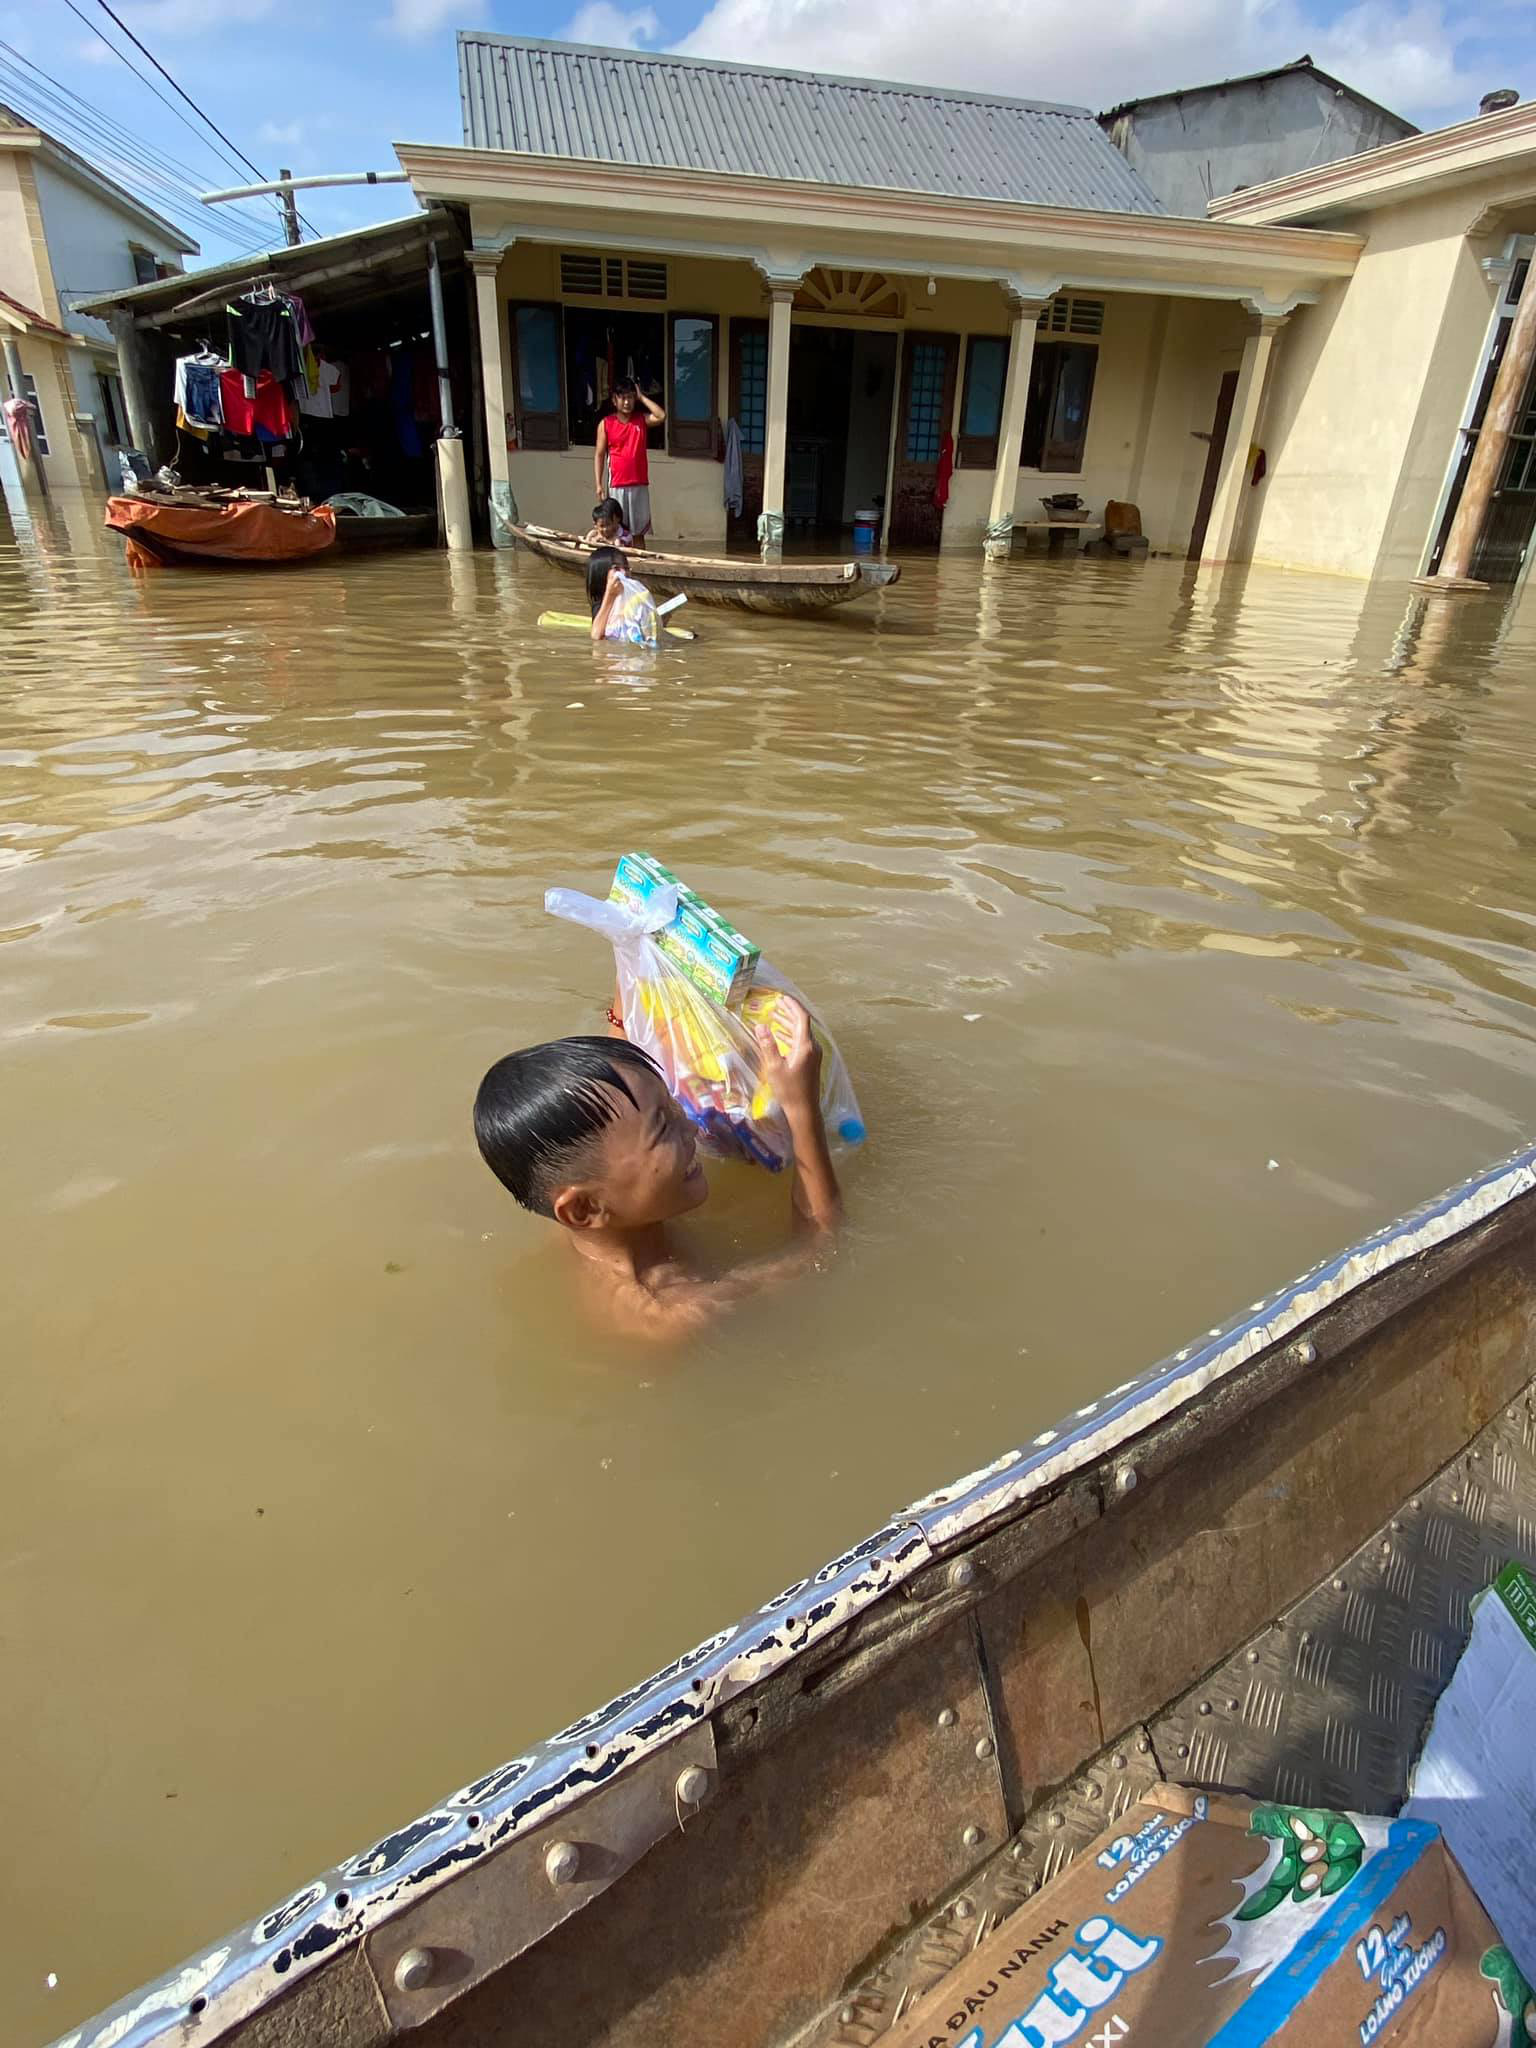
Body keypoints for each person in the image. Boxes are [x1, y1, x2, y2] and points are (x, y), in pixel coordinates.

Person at [473, 1003, 842, 1340]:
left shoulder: (578, 1205)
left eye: (672, 1105)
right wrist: (800, 1107)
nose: (693, 1128)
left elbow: (617, 1079)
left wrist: (627, 993)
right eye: (663, 1126)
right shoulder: (677, 1310)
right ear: (583, 1209)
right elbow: (820, 1250)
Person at [594, 378, 664, 541]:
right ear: (614, 400)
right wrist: (598, 485)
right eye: (623, 397)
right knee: (616, 531)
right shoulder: (606, 424)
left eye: (631, 397)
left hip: (639, 485)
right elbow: (599, 455)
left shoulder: (641, 420)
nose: (627, 402)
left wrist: (642, 397)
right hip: (617, 485)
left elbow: (661, 416)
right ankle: (619, 563)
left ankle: (640, 565)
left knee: (638, 533)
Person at [587, 546, 655, 644]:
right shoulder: (600, 604)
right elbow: (596, 636)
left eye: (626, 568)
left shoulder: (634, 600)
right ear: (601, 573)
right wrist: (610, 595)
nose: (624, 572)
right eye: (616, 568)